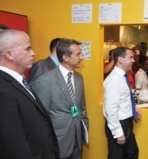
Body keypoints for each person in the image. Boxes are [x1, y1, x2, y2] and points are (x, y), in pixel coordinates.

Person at [0, 29, 59, 159]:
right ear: (9, 54)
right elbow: (13, 144)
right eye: (27, 49)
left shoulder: (19, 80)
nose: (33, 53)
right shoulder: (3, 89)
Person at [31, 38, 89, 159]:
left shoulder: (79, 77)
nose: (82, 57)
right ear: (65, 57)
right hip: (57, 142)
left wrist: (83, 127)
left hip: (76, 140)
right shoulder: (45, 81)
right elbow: (41, 117)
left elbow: (81, 106)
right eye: (78, 54)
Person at [103, 46, 141, 159]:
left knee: (132, 153)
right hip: (119, 124)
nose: (133, 60)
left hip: (126, 123)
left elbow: (123, 99)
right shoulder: (114, 79)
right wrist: (118, 132)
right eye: (130, 57)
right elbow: (111, 109)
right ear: (120, 59)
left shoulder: (121, 77)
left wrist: (133, 109)